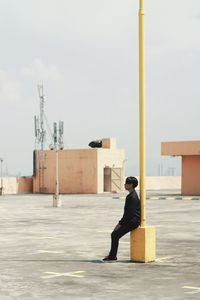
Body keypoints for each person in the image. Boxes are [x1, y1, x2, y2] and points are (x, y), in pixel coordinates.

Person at [102, 176, 141, 262]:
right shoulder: (132, 195)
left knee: (114, 235)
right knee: (114, 234)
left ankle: (112, 256)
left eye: (127, 183)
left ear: (131, 185)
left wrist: (119, 224)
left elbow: (128, 214)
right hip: (133, 220)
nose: (125, 184)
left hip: (132, 222)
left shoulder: (131, 197)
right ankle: (112, 255)